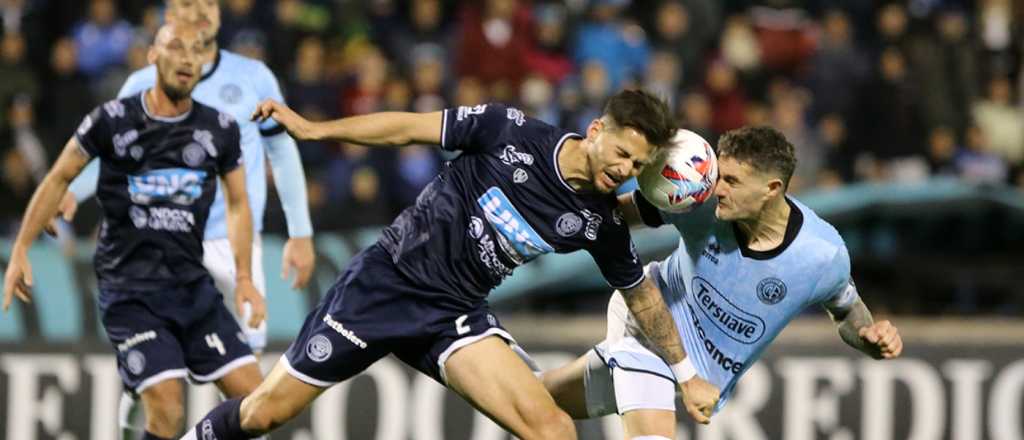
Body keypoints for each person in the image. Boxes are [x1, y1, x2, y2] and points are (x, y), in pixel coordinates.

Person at [181, 90, 719, 440]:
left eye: (638, 166)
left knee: (553, 430)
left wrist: (687, 375)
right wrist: (314, 128)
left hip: (454, 315)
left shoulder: (599, 222)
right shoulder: (509, 130)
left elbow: (641, 296)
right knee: (263, 414)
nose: (624, 170)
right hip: (386, 281)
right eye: (622, 153)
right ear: (598, 130)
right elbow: (406, 128)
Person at [541, 126, 905, 439]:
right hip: (650, 323)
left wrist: (868, 337)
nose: (717, 189)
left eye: (732, 181)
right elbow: (617, 213)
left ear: (772, 188)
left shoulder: (823, 255)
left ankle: (492, 376)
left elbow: (847, 313)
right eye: (719, 176)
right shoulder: (697, 203)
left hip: (697, 373)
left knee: (539, 401)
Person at [60, 1, 315, 435]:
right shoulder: (141, 83)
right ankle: (140, 404)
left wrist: (301, 231)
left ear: (219, 14)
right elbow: (115, 154)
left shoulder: (254, 77)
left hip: (233, 244)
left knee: (247, 396)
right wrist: (70, 192)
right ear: (167, 16)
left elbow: (283, 152)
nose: (198, 10)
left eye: (208, 3)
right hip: (159, 249)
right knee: (164, 395)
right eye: (185, 3)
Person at [3, 23, 265, 440]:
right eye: (175, 47)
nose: (186, 58)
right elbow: (58, 178)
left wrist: (245, 277)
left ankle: (135, 412)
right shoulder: (111, 119)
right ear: (152, 56)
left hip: (192, 289)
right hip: (131, 291)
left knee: (260, 407)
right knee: (168, 410)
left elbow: (238, 204)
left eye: (197, 51)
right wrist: (20, 250)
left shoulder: (219, 130)